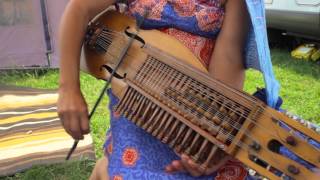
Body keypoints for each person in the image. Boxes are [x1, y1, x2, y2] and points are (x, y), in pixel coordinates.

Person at [58, 0, 281, 179]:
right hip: (138, 103)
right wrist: (68, 89)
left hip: (195, 105)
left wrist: (215, 133)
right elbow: (79, 8)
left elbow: (229, 54)